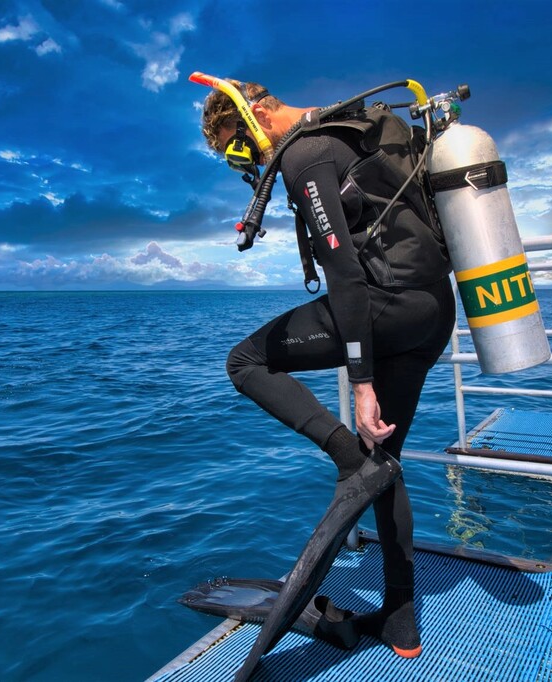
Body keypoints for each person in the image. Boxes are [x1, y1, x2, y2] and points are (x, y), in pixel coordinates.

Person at [199, 79, 455, 660]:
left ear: (257, 113)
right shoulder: (347, 131)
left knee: (245, 361)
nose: (245, 160)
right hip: (433, 312)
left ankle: (347, 459)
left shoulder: (304, 154)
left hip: (385, 305)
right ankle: (401, 623)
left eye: (238, 144)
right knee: (383, 462)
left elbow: (343, 273)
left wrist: (361, 383)